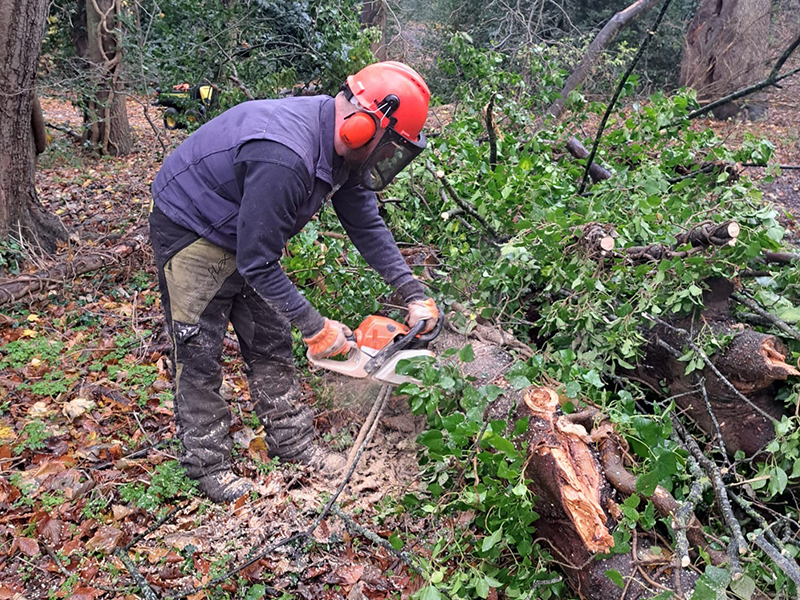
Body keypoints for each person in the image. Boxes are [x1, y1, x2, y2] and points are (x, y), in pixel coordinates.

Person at [148, 61, 440, 503]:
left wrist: (413, 293)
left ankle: (293, 442)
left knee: (270, 340)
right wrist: (316, 326)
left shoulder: (345, 154)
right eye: (388, 148)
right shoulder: (286, 154)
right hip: (193, 228)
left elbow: (366, 224)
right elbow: (257, 262)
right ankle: (208, 465)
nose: (385, 159)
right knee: (200, 351)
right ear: (363, 125)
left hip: (249, 235)